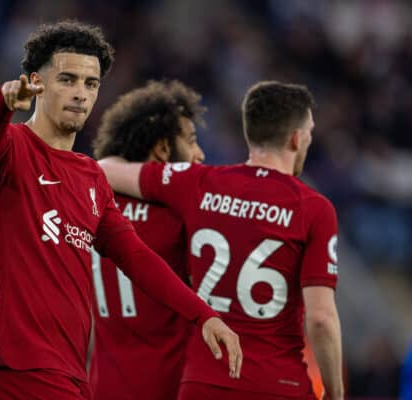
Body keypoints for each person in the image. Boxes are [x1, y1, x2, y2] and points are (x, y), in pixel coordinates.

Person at [0, 20, 242, 400]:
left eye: (90, 84)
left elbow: (137, 258)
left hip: (71, 374)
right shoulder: (12, 147)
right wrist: (2, 105)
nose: (80, 93)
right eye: (67, 79)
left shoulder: (91, 177)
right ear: (36, 81)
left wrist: (203, 314)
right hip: (19, 367)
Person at [99, 81, 344, 400]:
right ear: (297, 138)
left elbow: (104, 169)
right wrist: (336, 394)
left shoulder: (198, 184)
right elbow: (322, 319)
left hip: (202, 383)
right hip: (277, 383)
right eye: (309, 134)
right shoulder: (313, 208)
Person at [89, 80, 205, 400]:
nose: (200, 153)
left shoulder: (93, 206)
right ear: (163, 149)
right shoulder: (180, 214)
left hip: (103, 388)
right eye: (192, 140)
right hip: (168, 389)